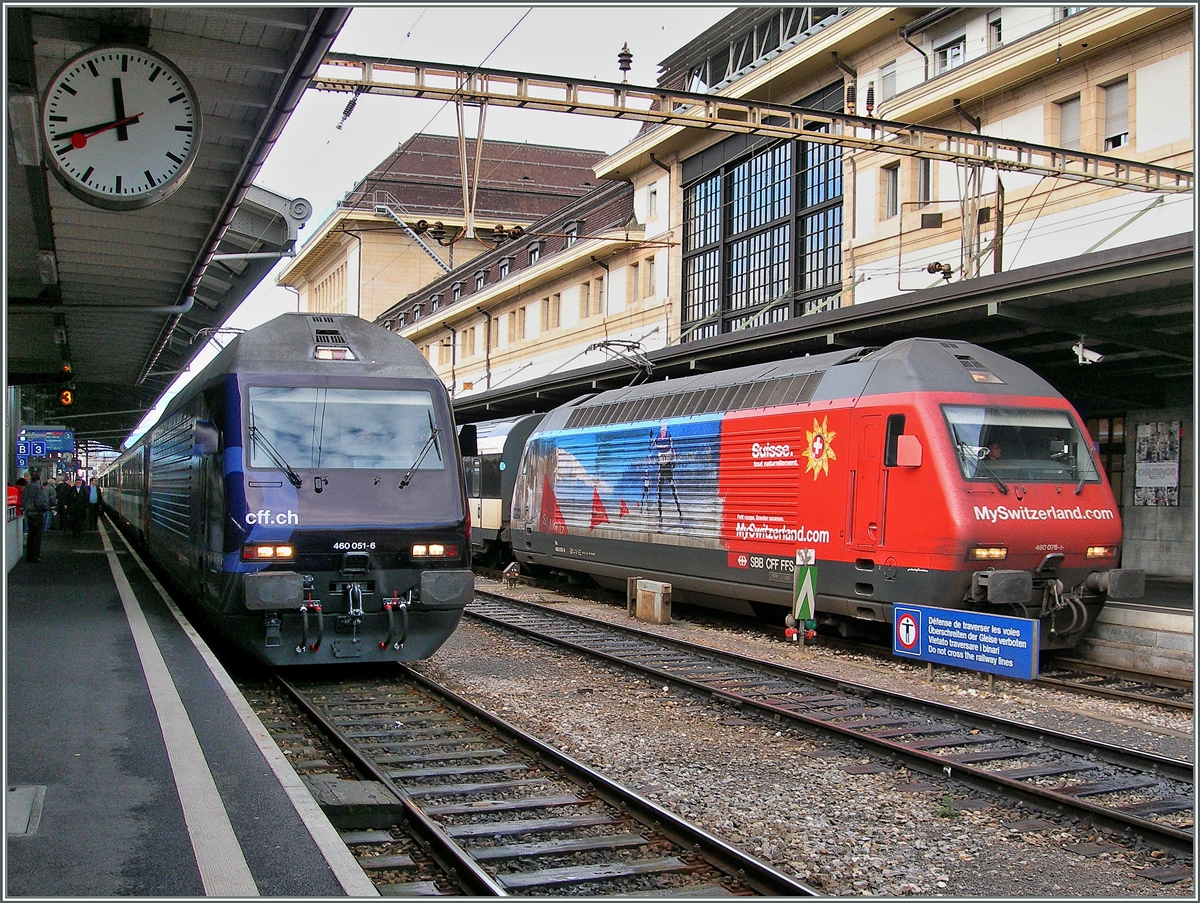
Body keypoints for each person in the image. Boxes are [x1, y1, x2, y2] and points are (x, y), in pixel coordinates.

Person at [21, 471, 49, 563]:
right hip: (37, 513)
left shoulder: (27, 487)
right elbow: (40, 502)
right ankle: (35, 556)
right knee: (37, 536)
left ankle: (29, 555)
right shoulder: (38, 488)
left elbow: (23, 500)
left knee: (30, 535)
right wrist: (45, 508)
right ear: (39, 479)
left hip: (29, 513)